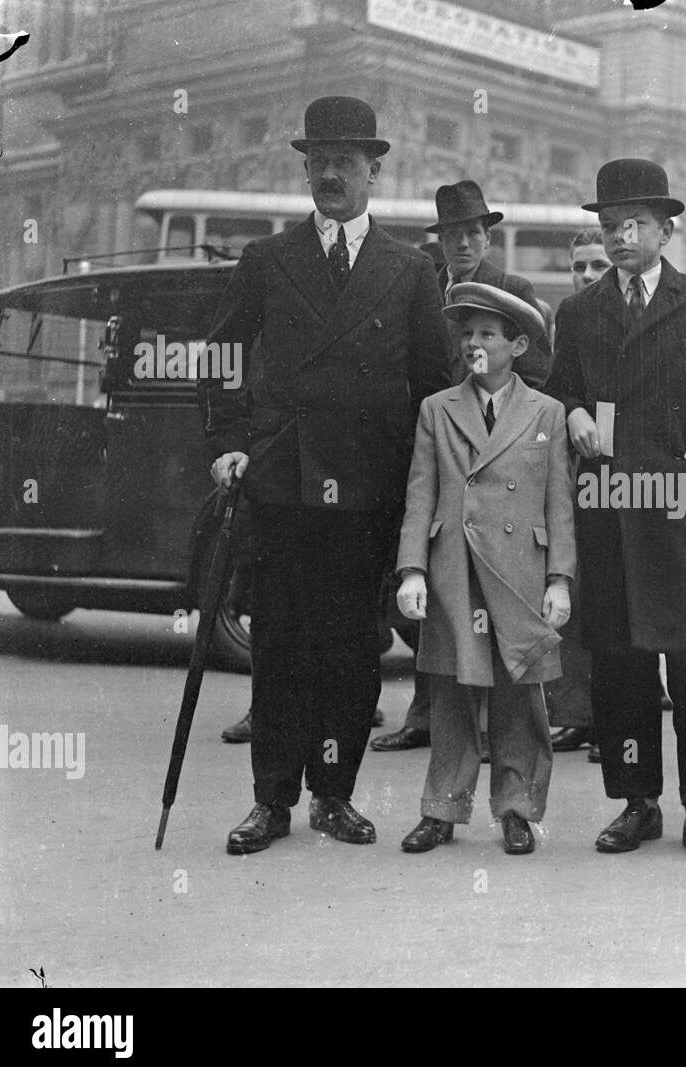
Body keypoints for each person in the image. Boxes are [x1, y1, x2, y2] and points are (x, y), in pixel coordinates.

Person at [201, 96, 449, 853]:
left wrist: (425, 488)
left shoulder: (410, 269)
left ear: (373, 170)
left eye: (345, 161)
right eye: (318, 162)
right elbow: (217, 355)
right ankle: (271, 802)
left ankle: (333, 796)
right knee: (279, 642)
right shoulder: (268, 260)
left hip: (369, 487)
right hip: (285, 481)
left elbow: (435, 386)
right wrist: (229, 442)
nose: (330, 174)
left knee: (350, 645)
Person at [547, 158, 686, 865]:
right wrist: (577, 414)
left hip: (681, 514)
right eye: (610, 226)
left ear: (666, 229)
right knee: (619, 668)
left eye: (634, 224)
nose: (620, 238)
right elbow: (560, 393)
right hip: (610, 510)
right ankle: (638, 802)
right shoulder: (580, 312)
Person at [394, 283, 575, 855]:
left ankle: (517, 809)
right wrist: (412, 570)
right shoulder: (437, 409)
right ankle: (442, 808)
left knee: (521, 695)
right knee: (450, 689)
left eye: (488, 335)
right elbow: (420, 494)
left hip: (522, 569)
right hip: (456, 570)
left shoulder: (548, 412)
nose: (475, 343)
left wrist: (560, 580)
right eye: (467, 333)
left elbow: (559, 503)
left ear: (518, 345)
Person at [547, 228, 615, 764]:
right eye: (580, 267)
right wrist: (573, 410)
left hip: (627, 479)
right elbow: (557, 385)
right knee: (570, 590)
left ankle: (612, 721)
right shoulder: (570, 317)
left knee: (617, 601)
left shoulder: (622, 314)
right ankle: (575, 717)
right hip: (573, 474)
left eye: (597, 265)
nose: (588, 276)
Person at [431, 181, 551, 388]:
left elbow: (536, 375)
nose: (463, 243)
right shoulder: (428, 289)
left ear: (487, 238)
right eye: (453, 233)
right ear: (441, 240)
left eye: (472, 233)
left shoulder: (512, 289)